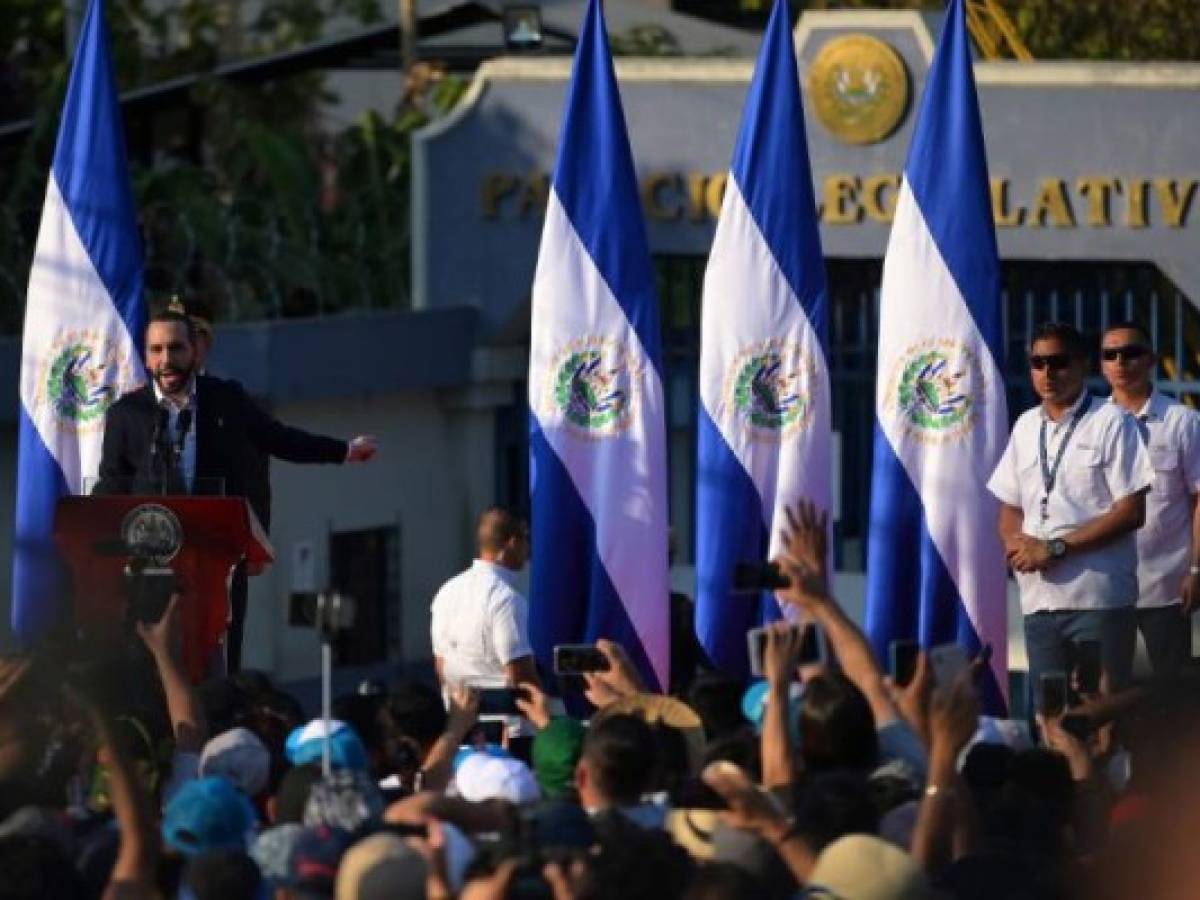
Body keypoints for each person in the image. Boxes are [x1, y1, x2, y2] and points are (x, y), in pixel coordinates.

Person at [95, 302, 378, 669]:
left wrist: (343, 450)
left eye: (177, 348)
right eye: (157, 350)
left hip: (217, 558)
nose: (167, 359)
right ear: (147, 358)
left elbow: (279, 439)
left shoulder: (225, 400)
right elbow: (111, 482)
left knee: (220, 655)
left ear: (195, 352)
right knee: (153, 656)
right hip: (154, 558)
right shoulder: (127, 414)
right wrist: (94, 528)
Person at [987, 322, 1153, 694]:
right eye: (1038, 362)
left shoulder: (1112, 422)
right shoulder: (1026, 426)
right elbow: (1010, 506)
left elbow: (1131, 512)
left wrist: (1056, 548)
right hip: (1039, 604)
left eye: (1059, 362)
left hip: (1097, 600)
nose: (1047, 373)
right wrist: (1017, 547)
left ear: (1081, 365)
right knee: (1050, 721)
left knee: (1101, 718)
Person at [1100, 320, 1200, 676]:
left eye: (1130, 353)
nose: (1120, 362)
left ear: (1150, 359)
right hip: (1106, 588)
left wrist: (1196, 570)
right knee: (1109, 696)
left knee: (1169, 696)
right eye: (1110, 354)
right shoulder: (1092, 423)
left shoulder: (1183, 422)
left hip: (1165, 585)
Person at [430, 507, 538, 689]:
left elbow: (441, 666)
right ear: (513, 543)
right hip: (507, 715)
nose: (528, 547)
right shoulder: (506, 599)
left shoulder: (446, 592)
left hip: (458, 712)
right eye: (525, 539)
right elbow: (521, 675)